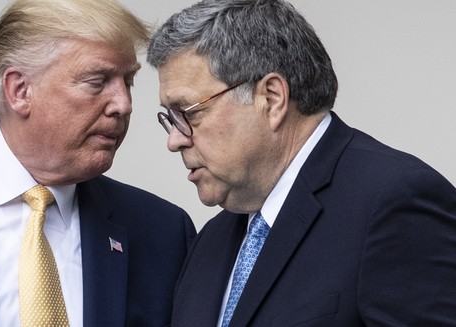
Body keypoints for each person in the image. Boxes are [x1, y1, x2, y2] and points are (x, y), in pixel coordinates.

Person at [0, 0, 196, 326]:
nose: (123, 105)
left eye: (128, 82)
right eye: (98, 82)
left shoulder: (163, 233)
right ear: (20, 90)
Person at [147, 0, 456, 326]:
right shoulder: (210, 241)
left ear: (271, 98)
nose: (174, 140)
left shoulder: (393, 203)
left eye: (189, 113)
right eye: (171, 119)